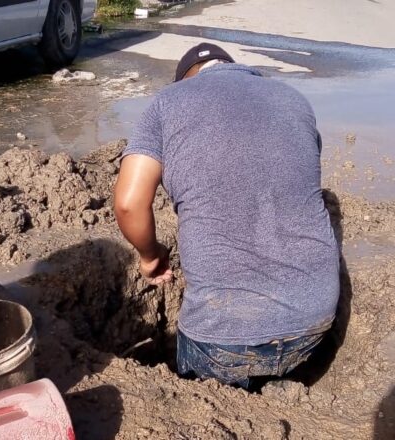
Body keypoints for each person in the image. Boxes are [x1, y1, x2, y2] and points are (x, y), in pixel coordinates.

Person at [114, 43, 340, 389]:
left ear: (185, 80)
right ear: (233, 68)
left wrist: (150, 256)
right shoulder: (294, 99)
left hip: (220, 338)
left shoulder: (168, 102)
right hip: (314, 320)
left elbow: (129, 203)